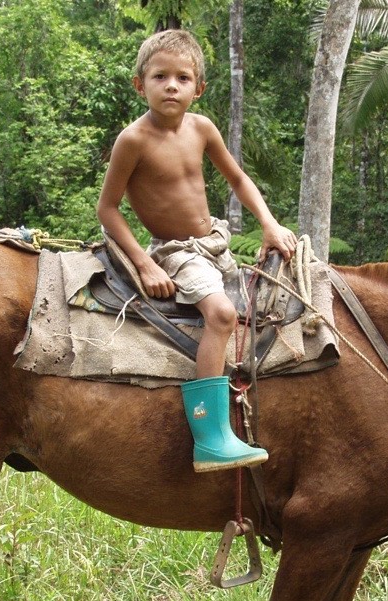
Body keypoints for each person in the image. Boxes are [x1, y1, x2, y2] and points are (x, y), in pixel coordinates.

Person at [97, 29, 297, 473]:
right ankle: (210, 435)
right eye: (160, 76)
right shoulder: (133, 140)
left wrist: (268, 223)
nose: (172, 85)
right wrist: (146, 262)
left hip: (216, 243)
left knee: (267, 307)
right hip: (175, 251)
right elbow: (107, 209)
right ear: (140, 84)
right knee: (222, 315)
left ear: (198, 88)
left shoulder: (202, 128)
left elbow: (238, 179)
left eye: (182, 78)